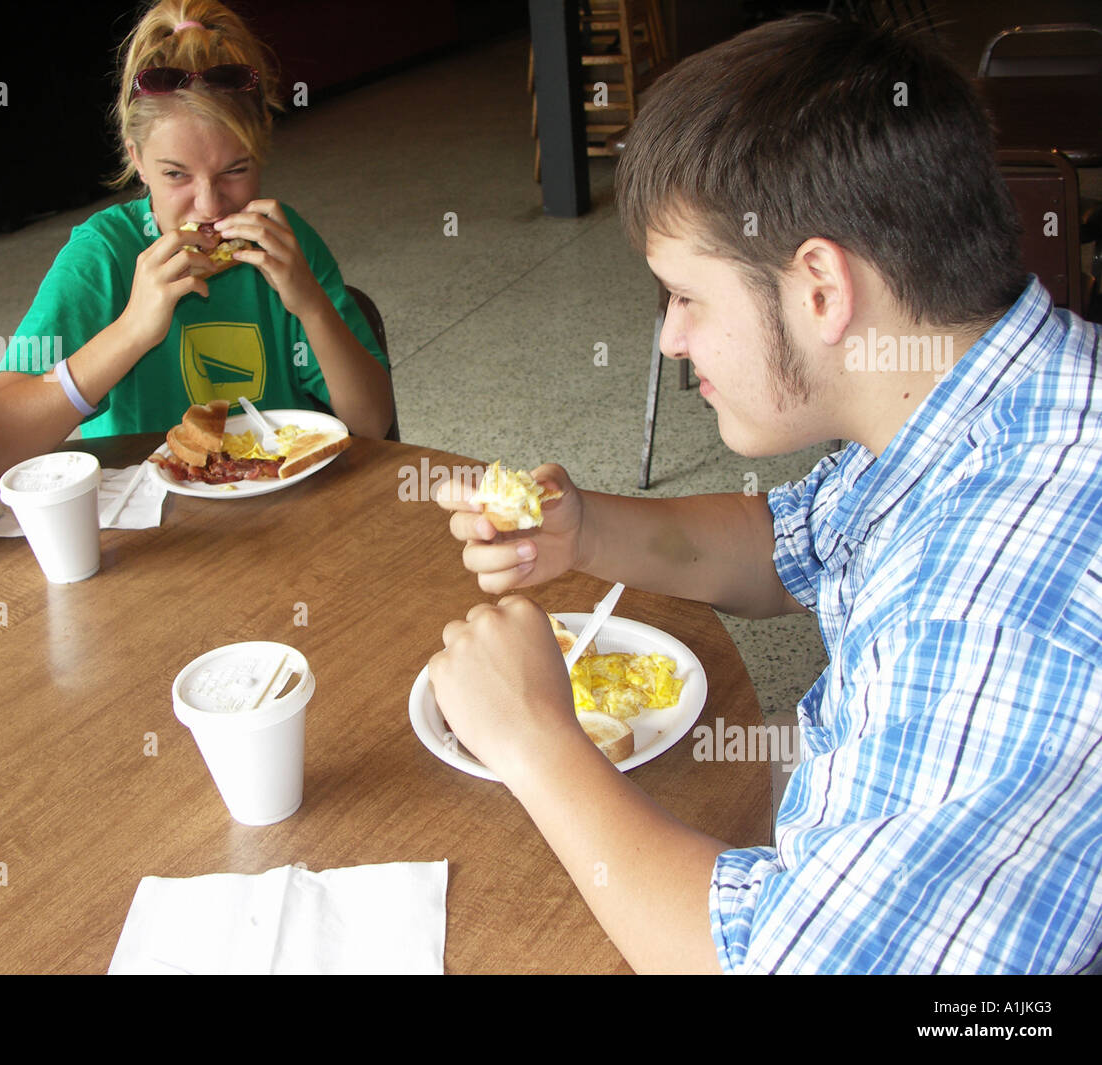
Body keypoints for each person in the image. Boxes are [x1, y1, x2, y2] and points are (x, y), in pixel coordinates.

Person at [429, 14, 1102, 973]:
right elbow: (781, 544)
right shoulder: (986, 395)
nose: (668, 339)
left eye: (687, 296)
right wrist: (581, 532)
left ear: (820, 287)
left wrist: (535, 739)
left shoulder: (985, 609)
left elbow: (781, 962)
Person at [0, 0, 393, 478]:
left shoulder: (285, 241)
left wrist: (311, 305)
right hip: (158, 529)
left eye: (235, 170)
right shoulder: (102, 256)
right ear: (137, 160)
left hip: (287, 509)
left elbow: (372, 424)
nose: (210, 206)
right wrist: (131, 331)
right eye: (176, 175)